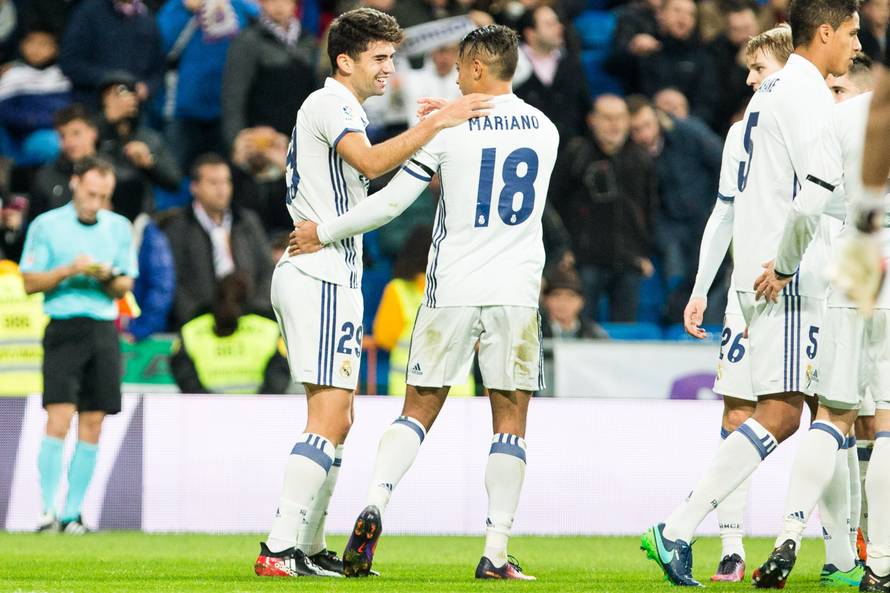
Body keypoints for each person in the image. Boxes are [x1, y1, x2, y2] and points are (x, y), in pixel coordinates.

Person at [289, 24, 559, 580]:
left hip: (451, 288)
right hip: (515, 291)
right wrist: (455, 115)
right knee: (510, 424)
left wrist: (325, 230)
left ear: (478, 68)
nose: (453, 80)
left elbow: (389, 204)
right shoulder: (546, 128)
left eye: (459, 69)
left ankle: (375, 503)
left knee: (416, 411)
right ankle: (495, 551)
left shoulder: (450, 130)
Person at [253, 7, 490, 578]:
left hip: (328, 273)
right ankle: (279, 547)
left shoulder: (343, 110)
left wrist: (427, 127)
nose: (390, 68)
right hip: (320, 273)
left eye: (392, 57)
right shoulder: (329, 102)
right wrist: (439, 121)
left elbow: (372, 165)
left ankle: (308, 546)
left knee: (339, 417)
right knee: (328, 415)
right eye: (380, 57)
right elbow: (370, 160)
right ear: (345, 61)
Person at [641, 0, 861, 586]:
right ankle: (678, 529)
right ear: (824, 33)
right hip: (786, 273)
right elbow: (817, 192)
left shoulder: (767, 97)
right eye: (851, 33)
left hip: (767, 267)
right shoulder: (805, 92)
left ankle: (840, 556)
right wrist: (791, 261)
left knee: (825, 409)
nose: (857, 45)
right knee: (787, 413)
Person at [752, 58, 883, 591]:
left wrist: (784, 266)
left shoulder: (845, 118)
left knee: (831, 415)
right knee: (886, 422)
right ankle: (880, 564)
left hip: (854, 262)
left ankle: (789, 534)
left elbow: (807, 208)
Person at [682, 25, 793, 582]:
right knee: (737, 411)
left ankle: (837, 547)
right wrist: (701, 287)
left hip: (801, 290)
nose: (749, 80)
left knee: (830, 418)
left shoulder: (811, 122)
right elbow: (723, 212)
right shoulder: (736, 134)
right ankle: (731, 545)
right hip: (747, 293)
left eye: (760, 69)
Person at [19, 156, 136, 533]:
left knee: (94, 421)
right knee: (59, 417)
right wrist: (69, 270)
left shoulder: (119, 227)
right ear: (75, 184)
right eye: (91, 194)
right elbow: (30, 282)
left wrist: (107, 276)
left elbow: (125, 284)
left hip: (103, 328)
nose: (95, 203)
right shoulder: (46, 225)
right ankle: (47, 511)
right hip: (64, 326)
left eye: (103, 196)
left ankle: (73, 513)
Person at [549, 94, 657, 322]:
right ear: (592, 120)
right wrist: (563, 248)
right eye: (607, 118)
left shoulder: (641, 159)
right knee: (583, 327)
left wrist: (645, 252)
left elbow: (650, 208)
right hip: (584, 260)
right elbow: (555, 203)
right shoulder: (576, 154)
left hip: (629, 259)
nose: (614, 124)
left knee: (625, 332)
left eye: (620, 118)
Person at [161, 153, 272, 329]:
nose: (222, 189)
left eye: (226, 182)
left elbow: (267, 270)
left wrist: (258, 310)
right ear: (194, 187)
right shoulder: (177, 227)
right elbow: (173, 280)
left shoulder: (247, 221)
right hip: (199, 324)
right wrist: (196, 317)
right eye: (213, 183)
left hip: (250, 321)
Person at [372, 224, 475, 396]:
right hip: (459, 392)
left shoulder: (397, 290)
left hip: (408, 392)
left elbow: (384, 338)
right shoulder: (462, 289)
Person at [169, 272, 289, 394]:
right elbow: (278, 376)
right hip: (260, 405)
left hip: (204, 405)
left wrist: (206, 401)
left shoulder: (191, 330)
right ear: (247, 299)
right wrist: (259, 403)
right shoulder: (269, 329)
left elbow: (183, 374)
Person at [540, 268, 607, 339]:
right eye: (556, 296)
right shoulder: (536, 332)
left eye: (570, 297)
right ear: (545, 299)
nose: (563, 303)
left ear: (581, 301)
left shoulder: (594, 334)